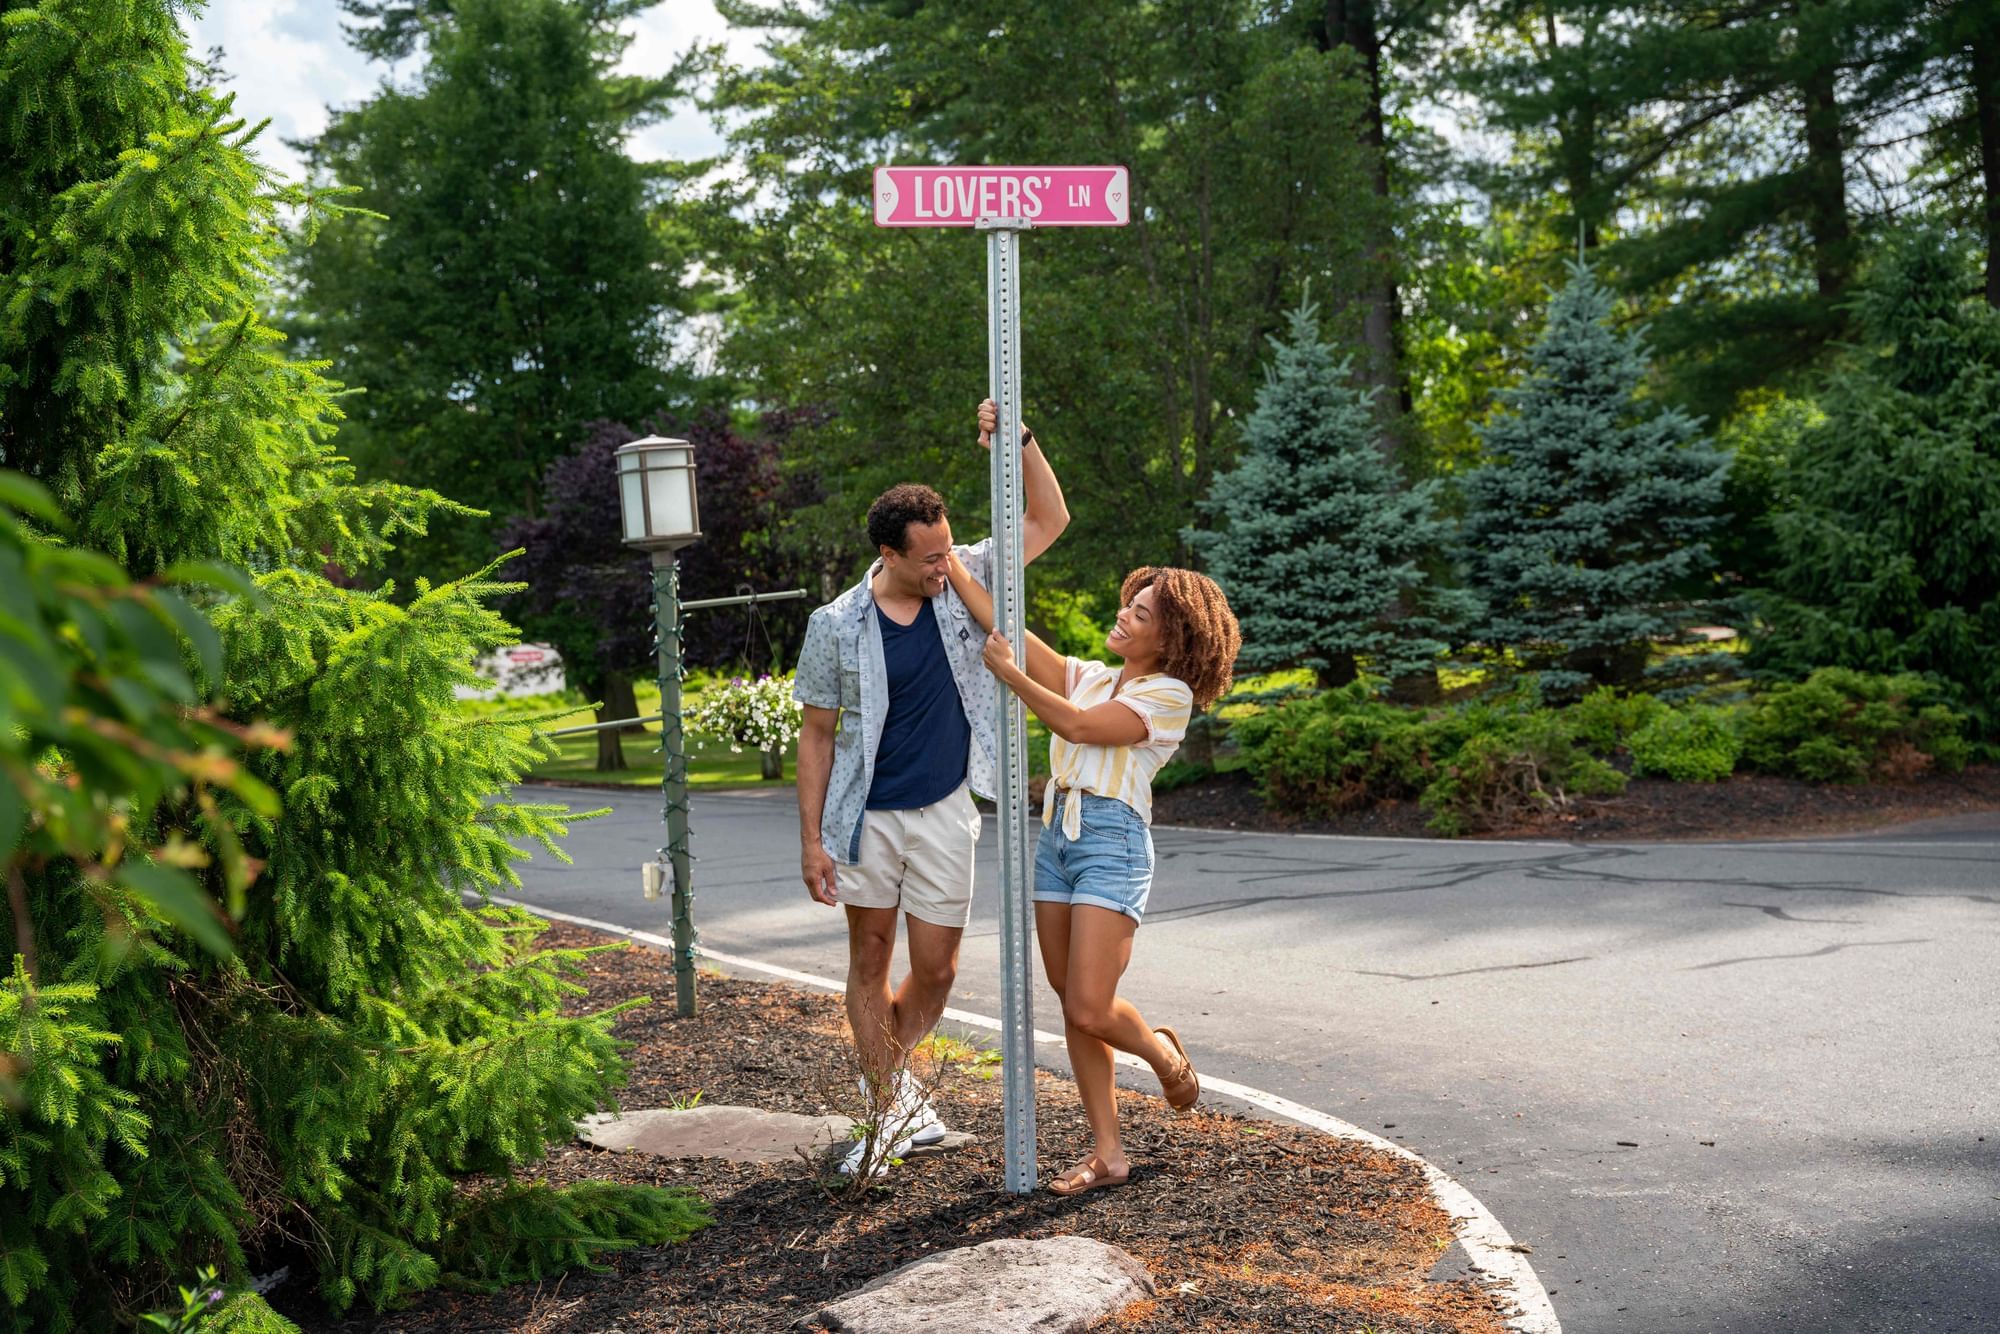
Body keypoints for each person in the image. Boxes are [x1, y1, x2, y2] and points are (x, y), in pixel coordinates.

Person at [792, 400, 1069, 1175]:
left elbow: (1050, 517)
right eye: (929, 558)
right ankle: (886, 1117)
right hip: (867, 819)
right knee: (870, 958)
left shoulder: (968, 576)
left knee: (939, 968)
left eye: (949, 551)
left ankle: (892, 1080)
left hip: (948, 807)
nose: (944, 566)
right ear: (889, 551)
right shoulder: (836, 624)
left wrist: (1017, 438)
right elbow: (816, 733)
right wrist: (811, 838)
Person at [944, 552, 1240, 1195]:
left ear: (1172, 636)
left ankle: (1163, 1055)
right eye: (1128, 605)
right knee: (1073, 1006)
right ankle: (1109, 1154)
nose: (1123, 617)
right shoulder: (1092, 676)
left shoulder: (1167, 696)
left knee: (1088, 1001)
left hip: (1113, 844)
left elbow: (1078, 726)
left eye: (1141, 614)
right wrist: (956, 573)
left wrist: (1012, 679)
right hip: (1058, 838)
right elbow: (1013, 634)